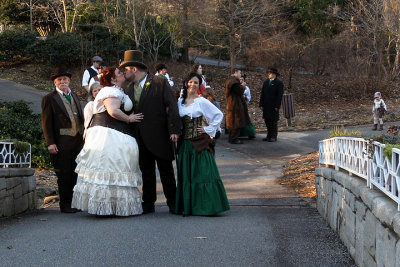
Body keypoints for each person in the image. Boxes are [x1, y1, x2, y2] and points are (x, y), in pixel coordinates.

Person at [72, 67, 144, 216]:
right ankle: (104, 207)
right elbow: (113, 111)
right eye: (119, 73)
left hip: (116, 134)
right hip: (108, 135)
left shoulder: (118, 91)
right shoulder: (110, 90)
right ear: (112, 79)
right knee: (109, 168)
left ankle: (112, 206)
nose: (123, 73)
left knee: (114, 171)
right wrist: (129, 119)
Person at [120, 50, 181, 214]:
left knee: (166, 171)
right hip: (140, 137)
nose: (123, 73)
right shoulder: (129, 89)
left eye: (125, 69)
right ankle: (148, 203)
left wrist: (174, 128)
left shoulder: (159, 82)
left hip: (160, 135)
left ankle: (173, 202)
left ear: (134, 69)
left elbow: (172, 105)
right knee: (146, 171)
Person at [175, 72, 229, 216]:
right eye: (190, 82)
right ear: (186, 83)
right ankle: (189, 206)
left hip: (199, 142)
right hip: (185, 145)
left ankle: (207, 206)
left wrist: (208, 129)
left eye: (196, 83)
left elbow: (218, 115)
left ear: (199, 86)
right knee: (188, 177)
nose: (193, 85)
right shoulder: (179, 102)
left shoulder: (201, 101)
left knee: (203, 175)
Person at [41, 67, 84, 213]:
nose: (62, 81)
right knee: (64, 174)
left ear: (69, 81)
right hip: (61, 143)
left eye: (65, 79)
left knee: (75, 173)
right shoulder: (49, 98)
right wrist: (50, 142)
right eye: (59, 79)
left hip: (78, 141)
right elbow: (46, 123)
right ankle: (65, 205)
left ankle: (74, 202)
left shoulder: (75, 96)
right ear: (54, 82)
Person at [225, 68, 251, 144]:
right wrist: (243, 86)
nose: (240, 75)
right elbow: (239, 90)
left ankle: (232, 138)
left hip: (232, 104)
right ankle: (234, 138)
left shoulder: (230, 80)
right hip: (235, 105)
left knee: (233, 121)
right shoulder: (233, 82)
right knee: (235, 122)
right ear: (235, 72)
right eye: (239, 73)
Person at [259, 68, 284, 142]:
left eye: (270, 73)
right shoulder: (266, 82)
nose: (268, 74)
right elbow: (262, 94)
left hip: (273, 105)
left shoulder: (279, 83)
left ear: (274, 74)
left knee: (273, 121)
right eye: (268, 73)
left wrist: (277, 106)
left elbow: (279, 96)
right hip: (266, 105)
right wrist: (261, 104)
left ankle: (273, 136)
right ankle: (268, 135)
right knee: (267, 121)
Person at [238, 74, 256, 139]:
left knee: (245, 119)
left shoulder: (246, 88)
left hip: (243, 105)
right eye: (240, 79)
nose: (241, 81)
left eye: (242, 80)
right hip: (237, 105)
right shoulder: (236, 86)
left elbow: (249, 97)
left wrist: (245, 97)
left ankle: (250, 133)